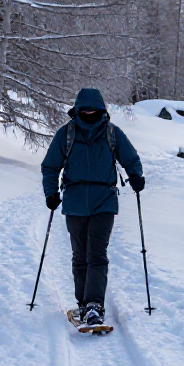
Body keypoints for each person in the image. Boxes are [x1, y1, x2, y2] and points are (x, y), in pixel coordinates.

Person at [41, 88, 144, 327]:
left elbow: (130, 158)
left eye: (93, 110)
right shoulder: (65, 134)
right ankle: (83, 303)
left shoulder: (112, 133)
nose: (89, 114)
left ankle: (94, 305)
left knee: (96, 254)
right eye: (84, 110)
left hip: (104, 200)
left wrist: (136, 176)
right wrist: (51, 193)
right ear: (77, 110)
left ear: (101, 110)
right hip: (74, 202)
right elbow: (50, 166)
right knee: (80, 256)